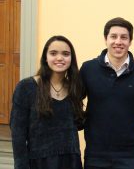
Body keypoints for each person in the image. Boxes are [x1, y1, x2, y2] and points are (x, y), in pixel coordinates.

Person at [79, 17, 134, 169]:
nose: (118, 41)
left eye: (124, 37)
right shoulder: (88, 69)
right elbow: (75, 99)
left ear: (130, 41)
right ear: (105, 39)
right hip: (95, 153)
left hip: (128, 155)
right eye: (113, 36)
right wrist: (85, 120)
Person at [10, 35, 84, 169]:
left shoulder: (75, 88)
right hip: (39, 162)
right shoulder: (26, 87)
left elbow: (78, 123)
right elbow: (18, 134)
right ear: (45, 57)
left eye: (66, 54)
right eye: (53, 53)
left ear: (71, 59)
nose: (60, 58)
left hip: (71, 161)